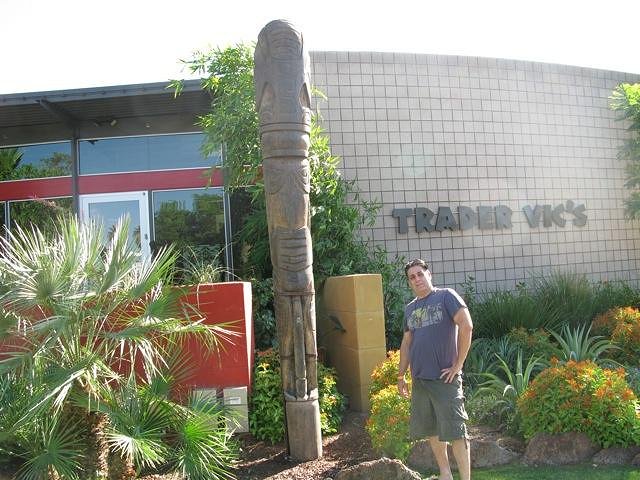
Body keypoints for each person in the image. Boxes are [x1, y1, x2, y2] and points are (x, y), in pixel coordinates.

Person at [397, 258, 473, 480]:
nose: (417, 279)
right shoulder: (410, 309)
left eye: (420, 274)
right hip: (420, 380)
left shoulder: (446, 296)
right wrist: (401, 375)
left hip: (445, 379)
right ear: (409, 282)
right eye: (412, 277)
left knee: (457, 431)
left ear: (429, 275)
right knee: (431, 430)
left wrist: (458, 364)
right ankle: (445, 473)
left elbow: (466, 326)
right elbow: (406, 343)